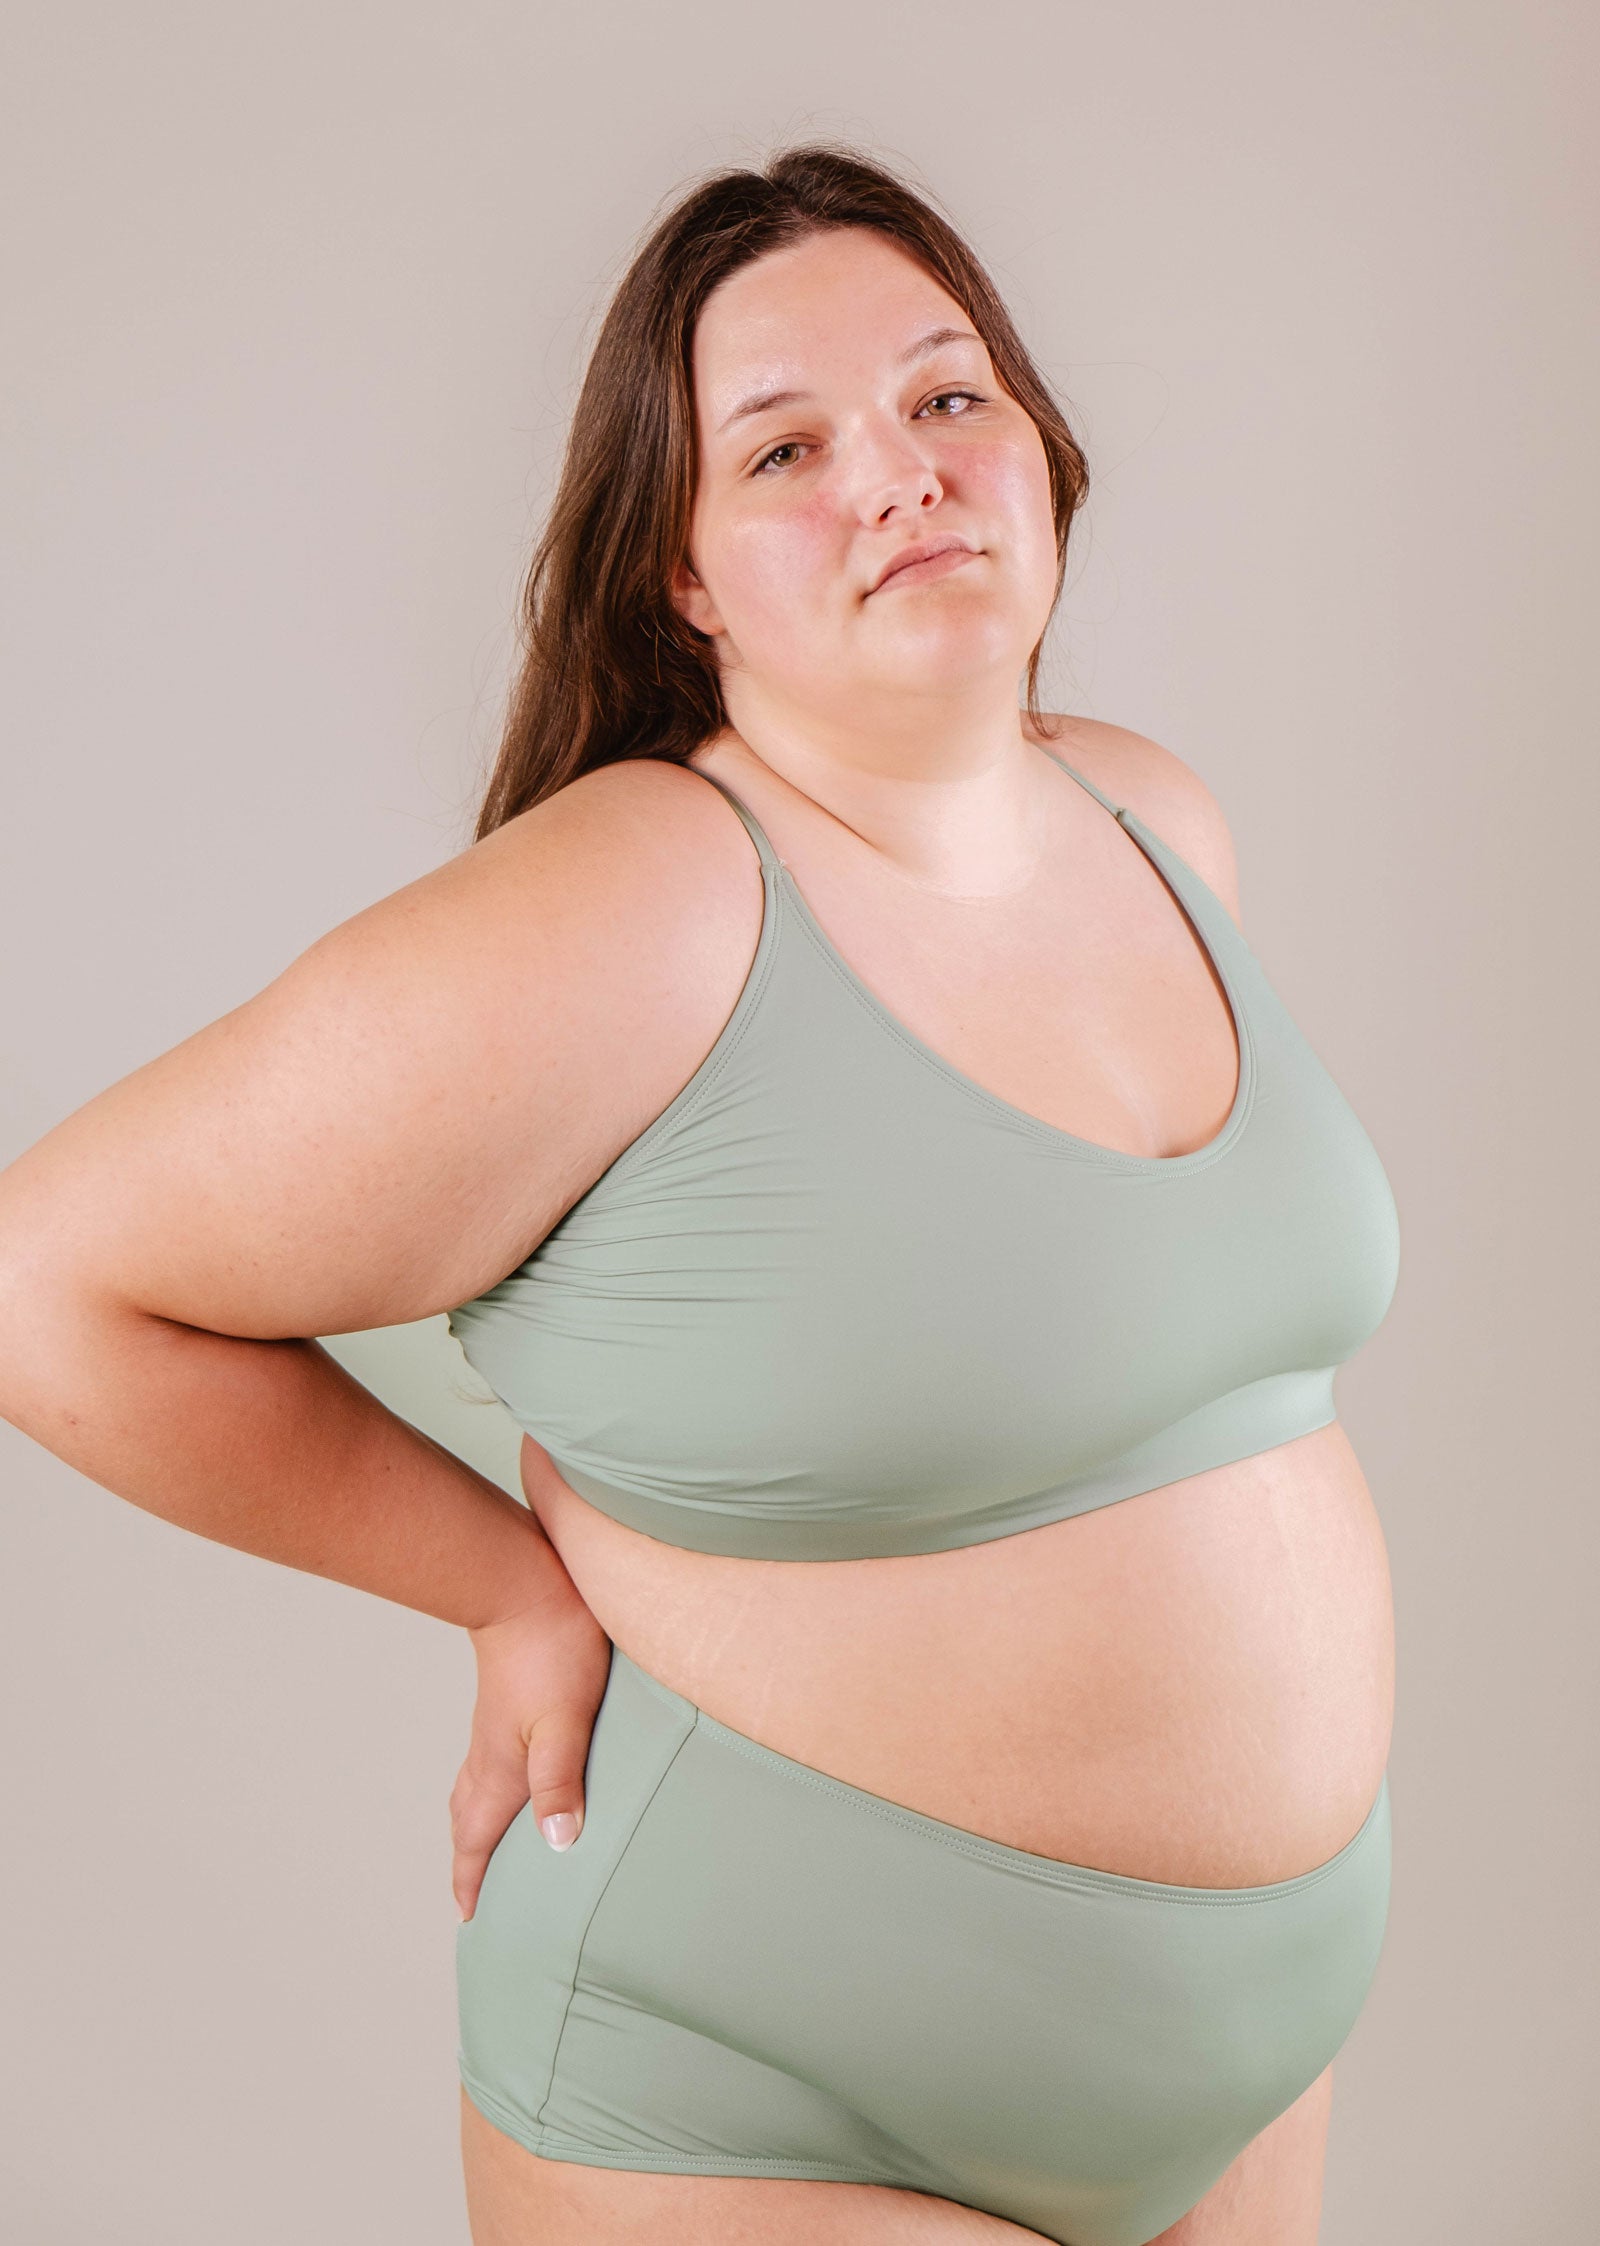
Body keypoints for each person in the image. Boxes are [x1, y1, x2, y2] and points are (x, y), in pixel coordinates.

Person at [0, 144, 1402, 2246]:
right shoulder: (634, 904)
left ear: (1035, 445)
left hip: (1250, 2056)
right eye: (782, 447)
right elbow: (52, 1278)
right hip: (765, 2094)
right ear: (681, 578)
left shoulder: (1153, 815)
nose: (902, 473)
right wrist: (504, 1584)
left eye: (948, 398)